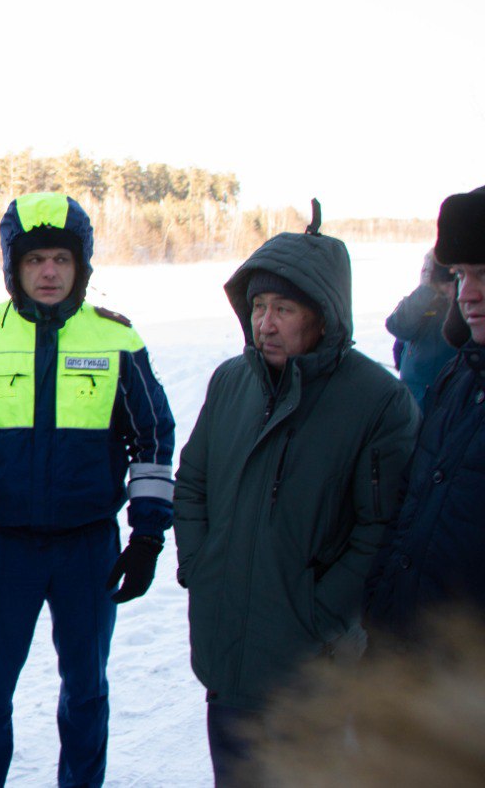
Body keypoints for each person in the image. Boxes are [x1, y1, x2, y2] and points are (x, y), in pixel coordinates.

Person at [0, 192, 175, 788]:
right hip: (5, 550)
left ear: (81, 265)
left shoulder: (118, 341)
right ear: (13, 267)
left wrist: (148, 537)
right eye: (35, 261)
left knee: (86, 691)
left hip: (88, 548)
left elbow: (153, 439)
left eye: (61, 258)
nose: (49, 272)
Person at [174, 222, 420, 787]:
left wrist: (322, 613)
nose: (266, 323)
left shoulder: (378, 401)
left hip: (311, 665)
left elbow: (380, 530)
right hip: (227, 653)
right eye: (258, 306)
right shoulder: (232, 382)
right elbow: (192, 485)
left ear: (324, 315)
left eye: (283, 308)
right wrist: (203, 565)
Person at [368, 186, 485, 640]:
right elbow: (411, 508)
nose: (466, 294)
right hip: (414, 661)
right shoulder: (460, 377)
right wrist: (380, 602)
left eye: (482, 274)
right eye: (458, 274)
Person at [385, 249, 457, 411]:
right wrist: (427, 290)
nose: (428, 274)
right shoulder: (418, 302)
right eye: (426, 269)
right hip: (413, 397)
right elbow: (396, 326)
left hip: (444, 398)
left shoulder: (462, 306)